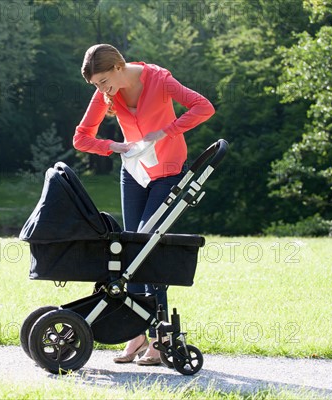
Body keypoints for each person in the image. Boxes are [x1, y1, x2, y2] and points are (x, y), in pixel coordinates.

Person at [73, 44, 215, 366]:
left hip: (167, 170)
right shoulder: (107, 92)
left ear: (119, 67)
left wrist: (166, 131)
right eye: (96, 84)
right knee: (129, 246)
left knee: (148, 247)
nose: (101, 89)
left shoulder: (159, 80)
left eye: (103, 81)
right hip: (134, 172)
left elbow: (203, 107)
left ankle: (158, 339)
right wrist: (116, 146)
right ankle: (135, 333)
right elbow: (81, 137)